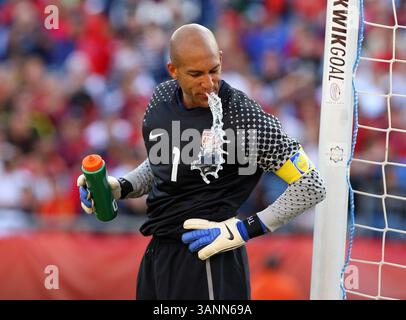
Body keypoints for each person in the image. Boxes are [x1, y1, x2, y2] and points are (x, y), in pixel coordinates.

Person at [77, 23, 326, 300]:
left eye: (213, 70)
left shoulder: (245, 118)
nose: (208, 83)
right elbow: (165, 164)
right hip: (158, 254)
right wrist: (120, 186)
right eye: (196, 74)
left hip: (209, 257)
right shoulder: (161, 99)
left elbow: (311, 184)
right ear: (174, 71)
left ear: (220, 57)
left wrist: (244, 229)